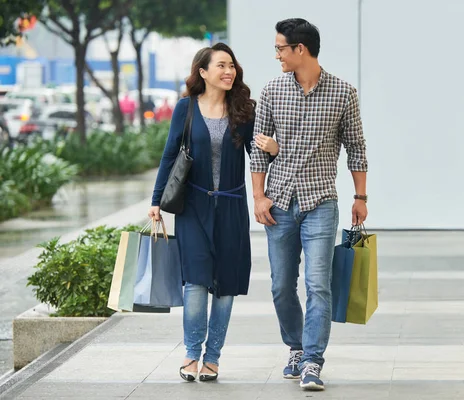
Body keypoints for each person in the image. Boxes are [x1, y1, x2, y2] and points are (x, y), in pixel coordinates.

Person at [148, 43, 279, 383]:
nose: (228, 71)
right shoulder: (185, 108)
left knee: (226, 285)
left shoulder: (244, 111)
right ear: (203, 72)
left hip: (232, 208)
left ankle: (213, 358)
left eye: (232, 65)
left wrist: (274, 149)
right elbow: (168, 155)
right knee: (195, 281)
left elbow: (259, 157)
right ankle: (192, 354)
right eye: (221, 65)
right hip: (193, 207)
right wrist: (156, 200)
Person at [250, 18, 369, 391]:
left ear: (300, 49)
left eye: (280, 48)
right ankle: (296, 348)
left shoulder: (343, 93)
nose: (277, 55)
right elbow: (258, 150)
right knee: (281, 286)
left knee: (319, 285)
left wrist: (360, 197)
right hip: (279, 203)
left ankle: (313, 361)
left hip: (321, 202)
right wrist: (258, 196)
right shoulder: (271, 91)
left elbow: (357, 147)